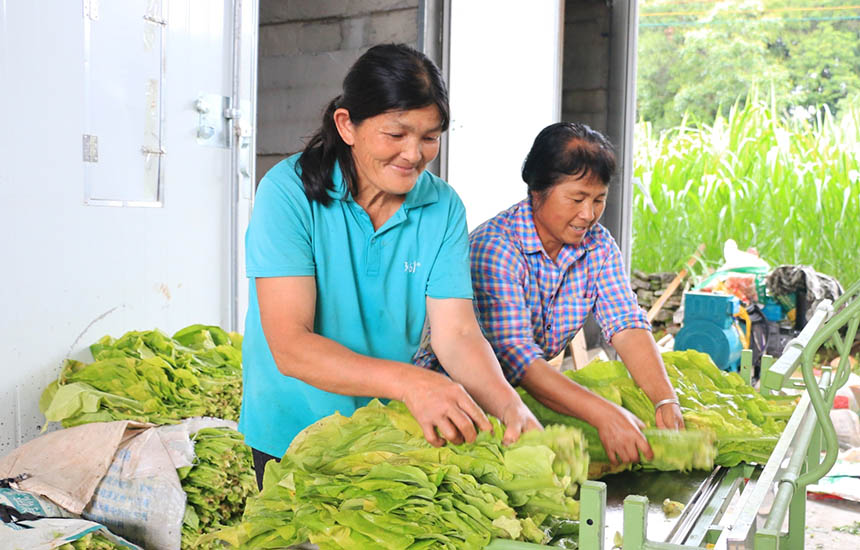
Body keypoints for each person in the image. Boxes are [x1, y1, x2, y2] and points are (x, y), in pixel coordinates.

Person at [239, 43, 540, 487]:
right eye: (396, 135)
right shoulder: (287, 193)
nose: (413, 154)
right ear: (347, 125)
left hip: (386, 433)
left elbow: (455, 333)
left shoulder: (443, 207)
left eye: (430, 137)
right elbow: (289, 345)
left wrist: (510, 407)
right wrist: (412, 383)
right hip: (290, 435)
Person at [416, 122, 684, 466]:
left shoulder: (598, 246)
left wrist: (665, 400)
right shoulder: (496, 247)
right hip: (452, 406)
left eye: (598, 199)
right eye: (577, 199)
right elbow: (517, 358)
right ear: (537, 191)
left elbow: (627, 323)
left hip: (518, 404)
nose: (588, 214)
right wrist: (604, 414)